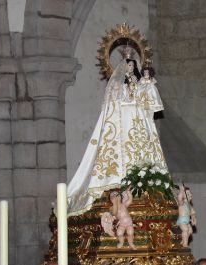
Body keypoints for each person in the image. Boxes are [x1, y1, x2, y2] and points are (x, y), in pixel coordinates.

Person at [67, 54, 167, 215]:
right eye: (129, 66)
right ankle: (120, 180)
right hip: (123, 120)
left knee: (141, 147)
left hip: (138, 119)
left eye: (134, 66)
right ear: (123, 67)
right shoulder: (116, 82)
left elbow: (146, 99)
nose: (132, 69)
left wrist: (146, 86)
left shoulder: (139, 81)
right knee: (123, 148)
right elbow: (113, 103)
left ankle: (145, 178)